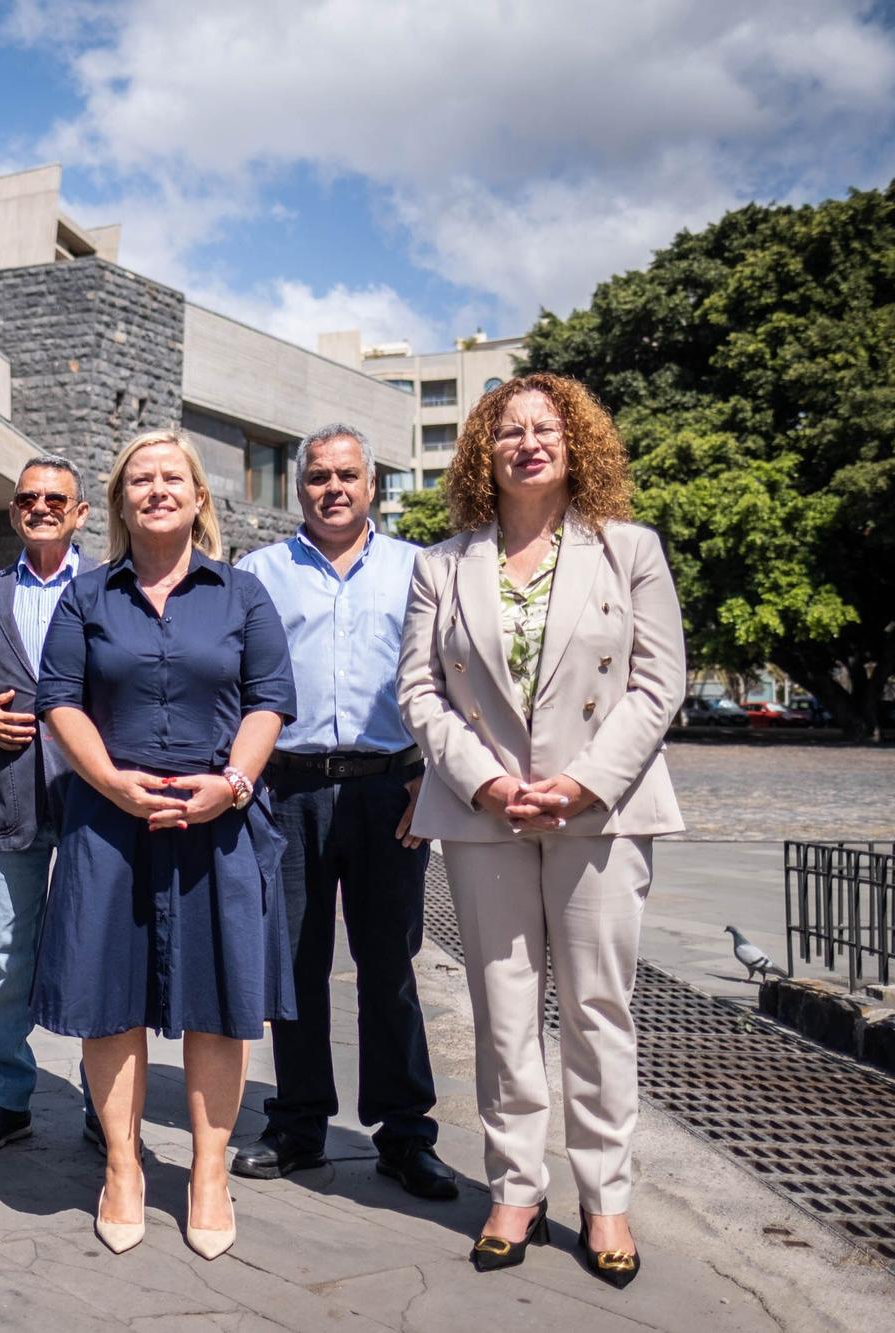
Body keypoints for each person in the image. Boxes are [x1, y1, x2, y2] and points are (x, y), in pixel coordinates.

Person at [397, 372, 683, 1289]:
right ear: (483, 451)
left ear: (576, 443)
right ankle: (515, 1188)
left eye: (545, 427)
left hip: (601, 811)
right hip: (487, 818)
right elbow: (417, 692)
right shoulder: (439, 564)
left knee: (600, 1011)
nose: (528, 442)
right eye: (508, 430)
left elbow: (656, 683)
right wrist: (482, 781)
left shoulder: (627, 549)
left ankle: (606, 1197)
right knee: (504, 1013)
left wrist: (584, 782)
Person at [32, 427, 295, 1260]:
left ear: (198, 495)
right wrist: (109, 780)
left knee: (221, 1003)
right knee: (110, 1001)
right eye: (139, 479)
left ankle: (209, 1172)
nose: (156, 489)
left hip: (217, 822)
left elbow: (269, 700)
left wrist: (234, 784)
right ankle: (122, 1165)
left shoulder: (243, 594)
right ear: (118, 500)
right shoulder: (86, 596)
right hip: (110, 823)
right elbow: (59, 698)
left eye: (171, 476)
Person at [233, 425, 455, 1200]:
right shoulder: (257, 573)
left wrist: (436, 783)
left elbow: (450, 684)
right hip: (287, 789)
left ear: (373, 484)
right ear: (300, 486)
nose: (333, 487)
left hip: (388, 790)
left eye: (348, 474)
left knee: (389, 965)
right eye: (319, 475)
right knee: (293, 963)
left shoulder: (421, 569)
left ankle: (404, 1132)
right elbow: (241, 687)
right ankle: (297, 1123)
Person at [0, 454, 101, 1154]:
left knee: (99, 948)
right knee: (8, 950)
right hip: (10, 795)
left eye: (55, 498)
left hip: (97, 797)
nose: (41, 507)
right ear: (13, 511)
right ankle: (8, 1094)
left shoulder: (109, 586)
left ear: (80, 511)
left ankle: (104, 1102)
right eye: (28, 497)